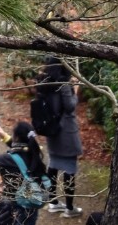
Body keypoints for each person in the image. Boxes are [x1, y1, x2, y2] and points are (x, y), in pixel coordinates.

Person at [0, 120, 48, 225]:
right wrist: (5, 137)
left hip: (16, 208)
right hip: (32, 205)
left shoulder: (9, 159)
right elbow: (21, 151)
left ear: (16, 137)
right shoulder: (34, 152)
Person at [34, 58, 82, 215]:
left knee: (53, 165)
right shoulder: (64, 84)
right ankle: (69, 208)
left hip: (52, 130)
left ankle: (53, 202)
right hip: (66, 131)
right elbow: (70, 106)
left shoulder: (45, 82)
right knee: (69, 167)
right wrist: (75, 90)